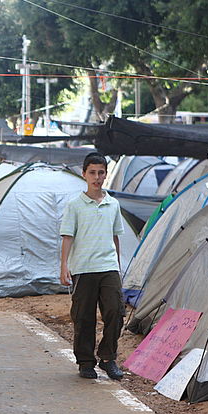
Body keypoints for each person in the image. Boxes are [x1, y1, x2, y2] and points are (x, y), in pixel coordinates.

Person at [59, 152, 125, 380]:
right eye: (92, 173)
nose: (97, 178)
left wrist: (118, 265)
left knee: (115, 311)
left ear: (106, 174)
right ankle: (86, 361)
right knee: (84, 317)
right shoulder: (75, 205)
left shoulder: (113, 204)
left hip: (108, 267)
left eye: (101, 173)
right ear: (84, 174)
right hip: (83, 268)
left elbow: (116, 236)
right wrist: (64, 266)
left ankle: (108, 358)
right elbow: (67, 237)